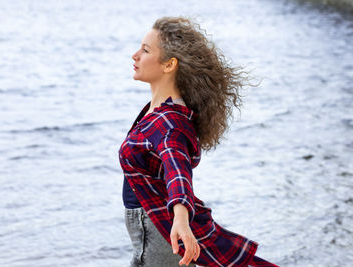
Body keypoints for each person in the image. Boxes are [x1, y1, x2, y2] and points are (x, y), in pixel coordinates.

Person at [118, 16, 279, 267]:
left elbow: (177, 171)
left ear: (170, 64)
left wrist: (180, 218)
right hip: (156, 227)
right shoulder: (160, 110)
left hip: (161, 232)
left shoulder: (170, 122)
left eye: (145, 50)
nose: (134, 55)